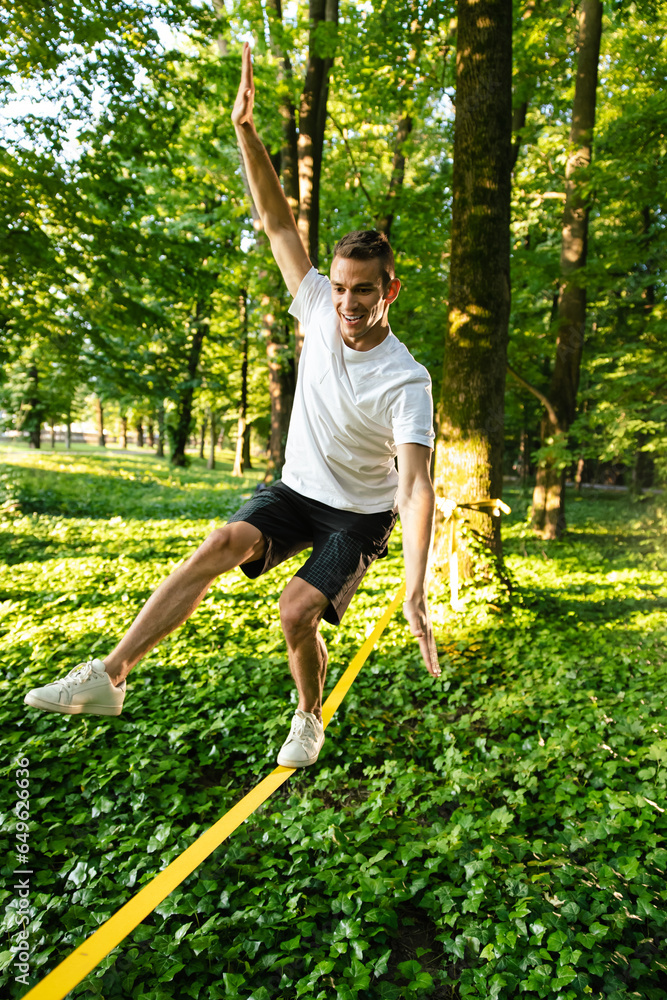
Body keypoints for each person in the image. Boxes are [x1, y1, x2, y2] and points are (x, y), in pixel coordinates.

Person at [24, 43, 439, 768]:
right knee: (216, 545)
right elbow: (280, 226)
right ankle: (109, 676)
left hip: (358, 513)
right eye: (339, 287)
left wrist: (413, 589)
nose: (345, 302)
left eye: (362, 290)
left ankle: (307, 717)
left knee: (293, 611)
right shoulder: (315, 306)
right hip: (294, 488)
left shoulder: (406, 380)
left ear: (388, 291)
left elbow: (414, 486)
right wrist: (246, 130)